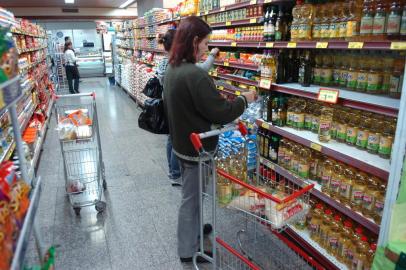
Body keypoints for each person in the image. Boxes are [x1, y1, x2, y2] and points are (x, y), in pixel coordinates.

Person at [163, 16, 256, 263]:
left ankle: (193, 232)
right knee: (191, 200)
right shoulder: (195, 75)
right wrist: (245, 98)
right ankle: (187, 249)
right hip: (197, 150)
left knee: (190, 196)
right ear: (194, 41)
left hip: (182, 145)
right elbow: (221, 112)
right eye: (205, 43)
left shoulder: (173, 69)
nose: (206, 48)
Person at [156, 29, 220, 186]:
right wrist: (212, 55)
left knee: (172, 139)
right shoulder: (178, 64)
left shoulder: (167, 62)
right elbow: (201, 70)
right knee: (175, 139)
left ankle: (173, 171)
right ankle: (176, 173)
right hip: (177, 105)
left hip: (169, 102)